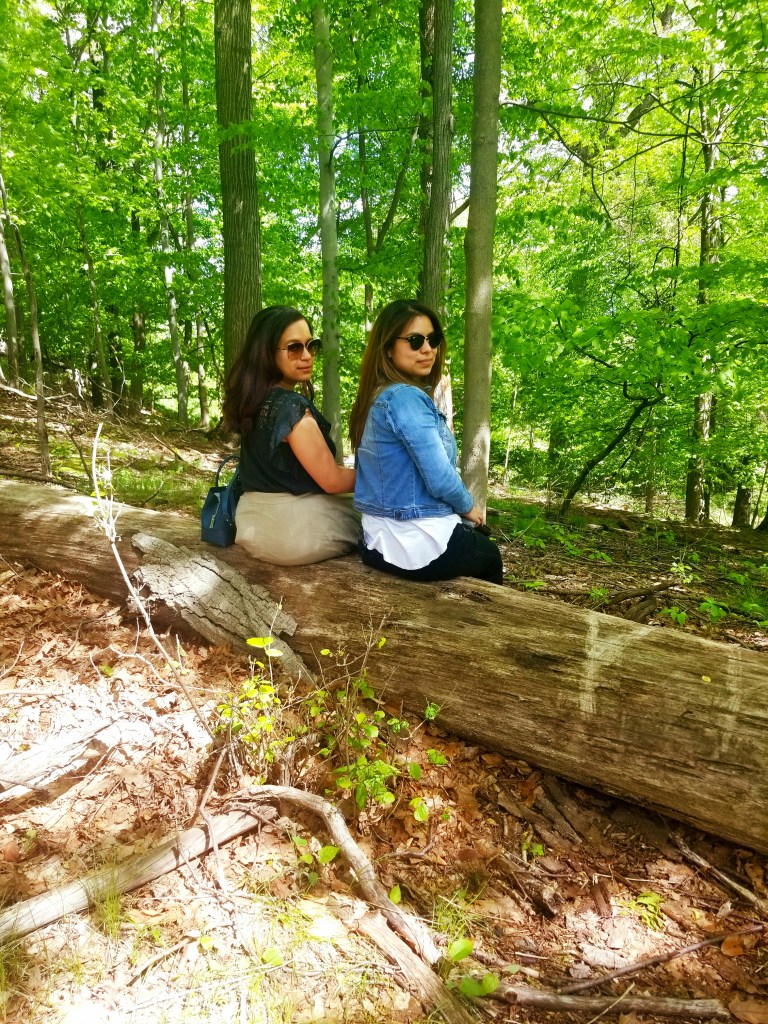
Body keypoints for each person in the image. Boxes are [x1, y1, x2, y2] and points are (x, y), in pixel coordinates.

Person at [349, 299, 503, 584]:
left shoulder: (377, 396)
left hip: (376, 540)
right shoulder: (404, 397)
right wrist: (468, 507)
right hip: (412, 542)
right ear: (388, 349)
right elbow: (440, 477)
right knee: (490, 556)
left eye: (433, 339)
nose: (427, 348)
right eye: (415, 340)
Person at [223, 305, 359, 565]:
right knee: (376, 513)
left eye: (312, 345)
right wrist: (379, 475)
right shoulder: (289, 407)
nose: (307, 355)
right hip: (293, 534)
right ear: (266, 353)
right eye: (294, 348)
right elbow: (332, 481)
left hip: (251, 527)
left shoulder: (253, 401)